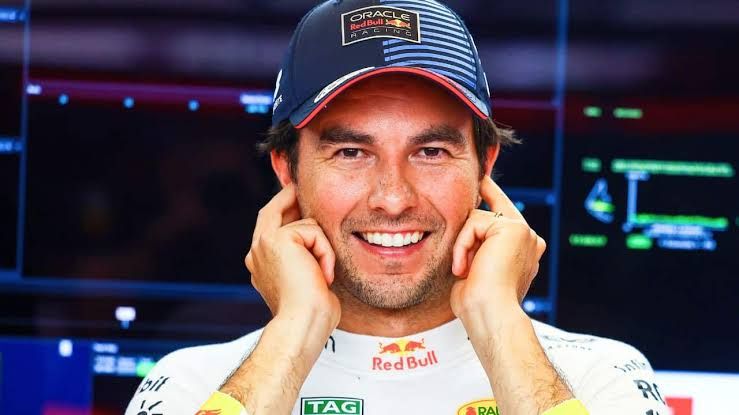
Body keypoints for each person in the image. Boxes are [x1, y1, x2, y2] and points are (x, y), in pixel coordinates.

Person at [126, 1, 667, 414]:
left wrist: (499, 322)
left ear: (484, 166)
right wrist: (294, 330)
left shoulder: (600, 376)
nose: (392, 198)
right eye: (351, 152)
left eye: (430, 152)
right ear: (287, 170)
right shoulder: (192, 384)